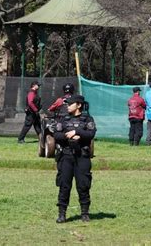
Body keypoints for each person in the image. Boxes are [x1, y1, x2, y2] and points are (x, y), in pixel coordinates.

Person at [53, 94, 96, 223]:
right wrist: (68, 136)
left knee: (83, 185)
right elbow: (56, 135)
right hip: (66, 156)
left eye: (70, 104)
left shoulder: (87, 119)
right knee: (64, 185)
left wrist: (78, 133)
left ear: (79, 105)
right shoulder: (63, 118)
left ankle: (84, 213)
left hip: (82, 156)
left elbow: (91, 133)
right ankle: (62, 214)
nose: (67, 106)